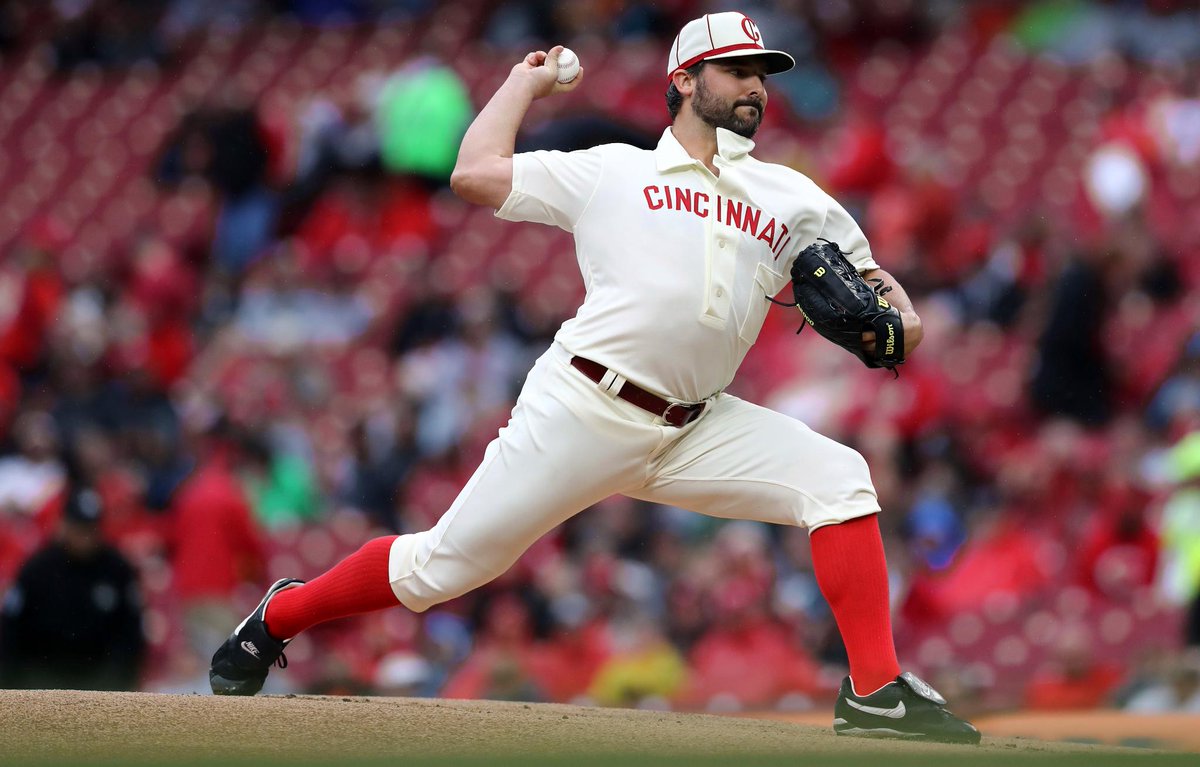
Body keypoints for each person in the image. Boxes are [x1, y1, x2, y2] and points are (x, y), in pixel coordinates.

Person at [208, 11, 980, 744]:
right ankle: (282, 616)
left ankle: (876, 692)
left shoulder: (793, 196)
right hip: (582, 405)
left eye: (763, 74)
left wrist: (900, 323)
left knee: (840, 477)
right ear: (684, 79)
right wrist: (523, 83)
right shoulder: (616, 172)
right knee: (439, 568)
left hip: (696, 426)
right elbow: (475, 173)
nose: (756, 86)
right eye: (736, 70)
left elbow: (881, 284)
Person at [0, 486, 145, 690]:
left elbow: (131, 630)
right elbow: (11, 627)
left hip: (99, 679)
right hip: (43, 677)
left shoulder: (116, 569)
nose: (85, 537)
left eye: (91, 529)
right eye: (79, 529)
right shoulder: (38, 568)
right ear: (64, 525)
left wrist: (121, 680)